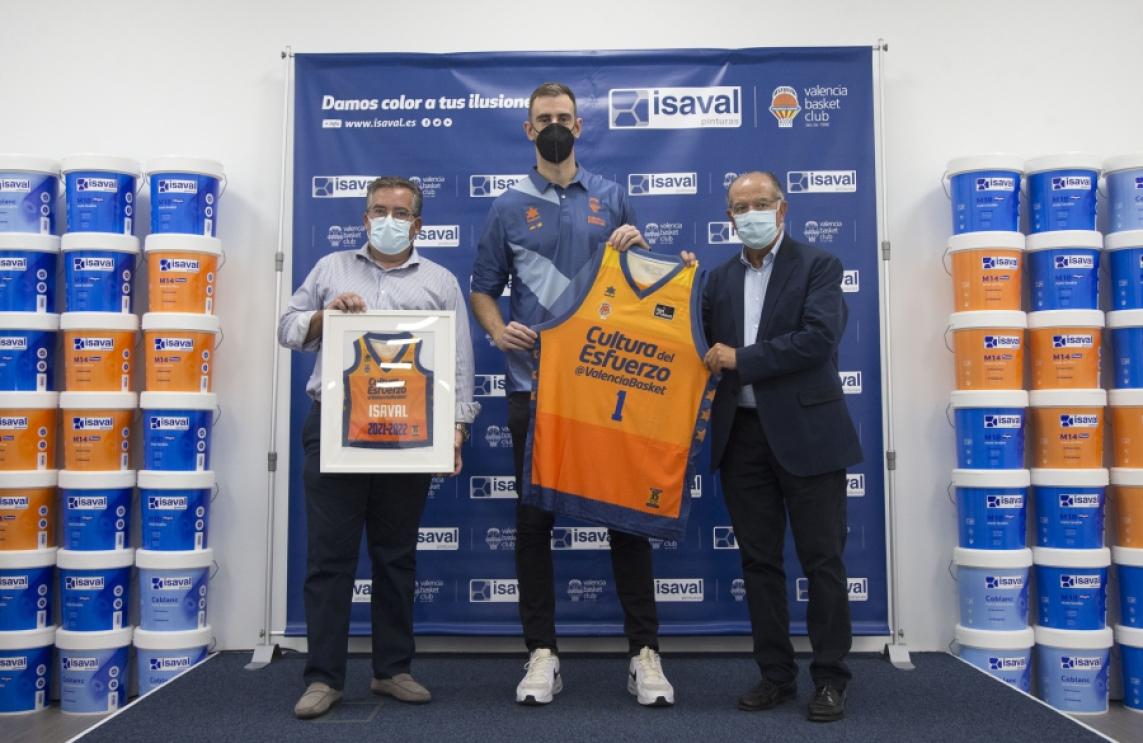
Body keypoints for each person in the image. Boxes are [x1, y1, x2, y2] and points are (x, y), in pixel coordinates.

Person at [470, 82, 675, 707]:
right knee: (534, 523)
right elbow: (482, 288)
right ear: (529, 130)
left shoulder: (612, 197)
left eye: (564, 116)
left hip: (608, 390)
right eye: (544, 119)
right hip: (535, 387)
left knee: (626, 520)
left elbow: (643, 285)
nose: (555, 125)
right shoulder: (507, 206)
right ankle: (542, 653)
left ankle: (644, 654)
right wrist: (496, 329)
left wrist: (643, 252)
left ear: (579, 126)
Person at [278, 176, 480, 719]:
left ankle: (392, 670)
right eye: (378, 210)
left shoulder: (439, 281)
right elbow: (288, 327)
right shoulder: (331, 269)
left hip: (408, 435)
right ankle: (324, 678)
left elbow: (460, 363)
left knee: (396, 556)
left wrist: (456, 429)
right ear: (365, 218)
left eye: (400, 212)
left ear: (418, 224)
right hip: (335, 428)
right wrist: (325, 316)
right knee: (329, 558)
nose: (388, 220)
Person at [702, 171, 862, 722]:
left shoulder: (819, 266)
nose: (751, 213)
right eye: (740, 206)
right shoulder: (718, 279)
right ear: (729, 217)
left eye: (761, 203)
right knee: (759, 563)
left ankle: (830, 678)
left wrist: (741, 359)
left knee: (823, 561)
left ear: (782, 208)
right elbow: (695, 343)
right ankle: (775, 674)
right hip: (742, 437)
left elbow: (817, 340)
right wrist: (664, 278)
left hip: (809, 434)